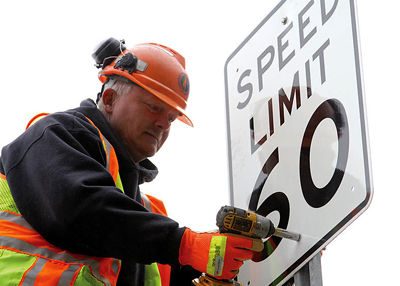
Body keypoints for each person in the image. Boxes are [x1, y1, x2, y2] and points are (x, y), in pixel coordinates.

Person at [0, 38, 263, 286]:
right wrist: (185, 245)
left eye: (171, 118)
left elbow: (152, 251)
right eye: (154, 107)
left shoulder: (144, 215)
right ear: (110, 100)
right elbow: (81, 211)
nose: (163, 123)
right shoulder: (58, 134)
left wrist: (209, 265)